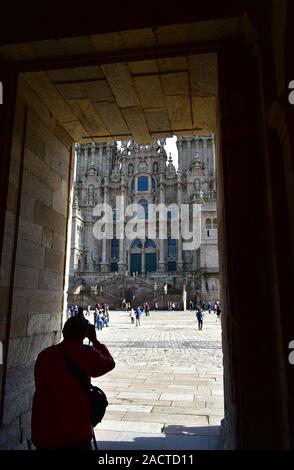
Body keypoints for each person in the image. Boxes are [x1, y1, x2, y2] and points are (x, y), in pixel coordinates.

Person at [31, 315, 115, 450]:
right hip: (75, 426)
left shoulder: (45, 354)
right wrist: (95, 340)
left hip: (45, 426)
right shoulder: (86, 354)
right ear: (84, 334)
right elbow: (109, 364)